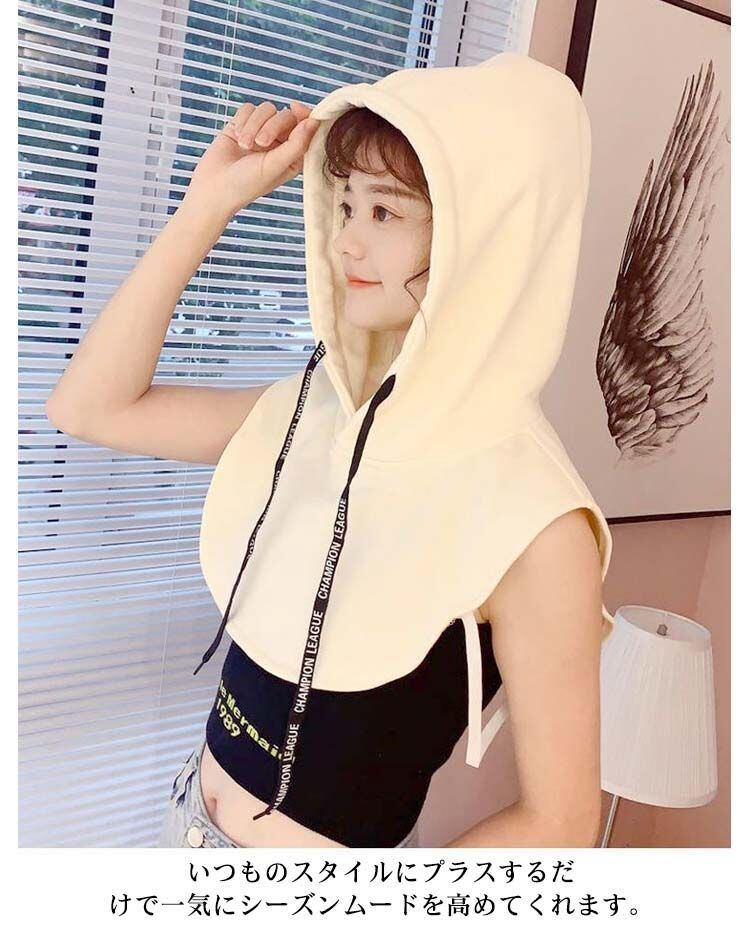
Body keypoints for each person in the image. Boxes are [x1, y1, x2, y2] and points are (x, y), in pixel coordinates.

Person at [46, 51, 614, 850]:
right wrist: (209, 203)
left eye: (384, 212)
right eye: (344, 204)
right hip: (185, 820)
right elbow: (88, 407)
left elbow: (561, 822)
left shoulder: (538, 521)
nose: (344, 241)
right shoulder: (315, 413)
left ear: (485, 236)